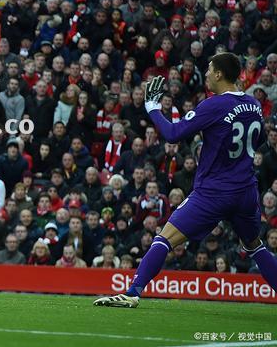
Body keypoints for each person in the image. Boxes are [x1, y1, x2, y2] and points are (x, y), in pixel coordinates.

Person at [95, 52, 277, 308]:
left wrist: (153, 109)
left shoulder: (213, 105)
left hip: (214, 192)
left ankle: (133, 291)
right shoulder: (254, 105)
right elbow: (257, 141)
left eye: (209, 69)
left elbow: (173, 133)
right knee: (254, 246)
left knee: (164, 238)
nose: (206, 74)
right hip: (246, 191)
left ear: (219, 74)